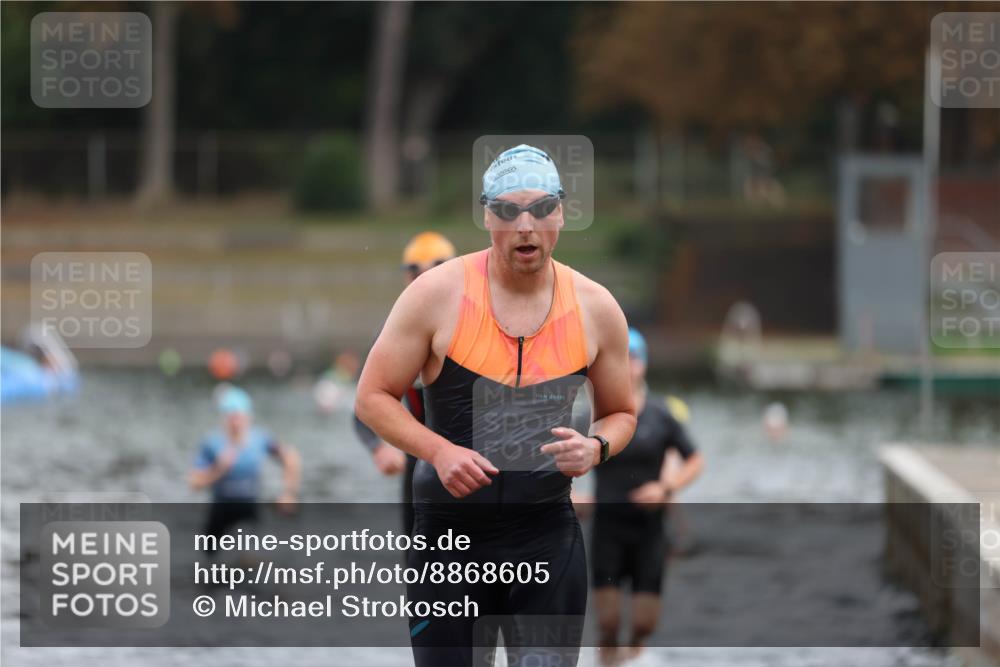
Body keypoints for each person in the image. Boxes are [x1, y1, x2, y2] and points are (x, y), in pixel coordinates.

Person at [355, 144, 637, 666]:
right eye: (507, 210)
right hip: (448, 541)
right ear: (486, 215)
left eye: (540, 208)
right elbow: (371, 398)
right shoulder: (435, 295)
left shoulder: (597, 308)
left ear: (561, 212)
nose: (524, 225)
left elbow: (622, 413)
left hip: (546, 539)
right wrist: (439, 452)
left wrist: (595, 447)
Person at [589, 328, 704, 666]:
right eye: (621, 358)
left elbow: (695, 460)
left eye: (634, 357)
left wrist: (666, 488)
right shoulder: (597, 414)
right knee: (608, 622)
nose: (628, 365)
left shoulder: (661, 414)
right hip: (608, 529)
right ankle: (607, 659)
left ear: (644, 364)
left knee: (643, 623)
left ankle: (629, 656)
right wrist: (572, 495)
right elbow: (567, 457)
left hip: (649, 530)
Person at [353, 231, 457, 536]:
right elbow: (364, 406)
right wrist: (379, 448)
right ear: (405, 278)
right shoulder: (393, 335)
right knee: (420, 563)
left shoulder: (482, 324)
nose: (425, 279)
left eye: (437, 268)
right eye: (415, 271)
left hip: (476, 457)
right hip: (421, 459)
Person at [189, 386, 301, 551]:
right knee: (208, 563)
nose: (236, 423)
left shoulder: (260, 439)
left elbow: (291, 458)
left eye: (240, 417)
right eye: (231, 417)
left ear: (248, 417)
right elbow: (194, 483)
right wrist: (218, 469)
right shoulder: (212, 443)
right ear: (224, 419)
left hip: (249, 508)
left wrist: (288, 493)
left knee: (251, 561)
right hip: (221, 508)